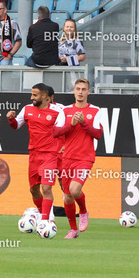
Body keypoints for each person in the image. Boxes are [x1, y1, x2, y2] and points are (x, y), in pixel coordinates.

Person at [53, 78, 103, 238]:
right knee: (67, 195)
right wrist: (72, 124)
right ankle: (73, 230)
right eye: (78, 89)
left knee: (75, 190)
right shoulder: (65, 111)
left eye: (83, 89)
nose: (80, 92)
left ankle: (83, 211)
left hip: (85, 158)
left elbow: (98, 134)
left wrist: (84, 123)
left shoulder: (95, 111)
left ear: (88, 92)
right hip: (68, 157)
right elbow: (55, 132)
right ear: (74, 91)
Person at [7, 83, 61, 223]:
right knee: (34, 190)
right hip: (34, 155)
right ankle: (44, 214)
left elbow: (69, 127)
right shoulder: (27, 109)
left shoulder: (58, 110)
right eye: (32, 94)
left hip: (50, 155)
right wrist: (11, 119)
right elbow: (16, 126)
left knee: (46, 187)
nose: (32, 98)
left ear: (44, 96)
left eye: (35, 95)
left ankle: (46, 220)